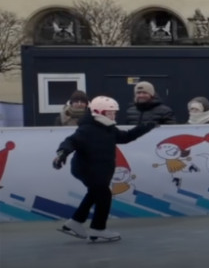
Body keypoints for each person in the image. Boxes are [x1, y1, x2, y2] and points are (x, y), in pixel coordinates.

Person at [52, 96, 158, 242]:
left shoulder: (108, 128)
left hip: (97, 171)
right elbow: (70, 141)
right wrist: (62, 154)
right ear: (98, 112)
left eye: (114, 112)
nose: (113, 116)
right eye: (110, 113)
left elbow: (125, 137)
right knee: (104, 195)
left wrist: (146, 127)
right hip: (88, 169)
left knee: (94, 194)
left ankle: (75, 223)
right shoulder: (87, 129)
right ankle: (98, 229)